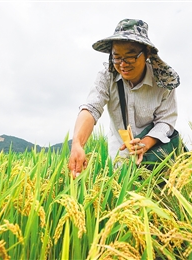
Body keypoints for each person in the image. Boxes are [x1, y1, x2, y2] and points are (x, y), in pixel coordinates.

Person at [68, 19, 180, 179]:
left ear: (147, 53)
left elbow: (166, 121)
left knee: (156, 192)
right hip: (119, 149)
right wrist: (77, 144)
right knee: (123, 191)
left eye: (130, 56)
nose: (123, 64)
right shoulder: (107, 77)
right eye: (117, 57)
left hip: (153, 148)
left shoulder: (162, 82)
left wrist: (145, 143)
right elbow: (91, 108)